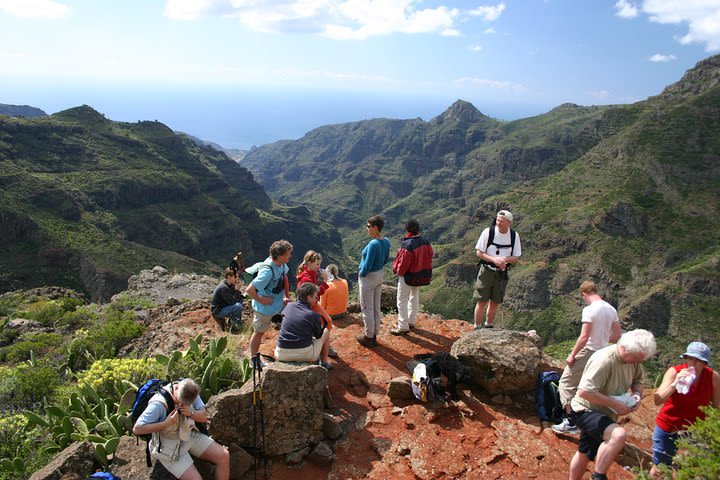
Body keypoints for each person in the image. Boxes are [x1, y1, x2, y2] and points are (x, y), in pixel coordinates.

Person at [568, 329, 657, 480]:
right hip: (585, 409)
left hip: (605, 412)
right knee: (618, 435)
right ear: (623, 348)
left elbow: (638, 380)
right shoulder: (605, 360)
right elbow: (585, 391)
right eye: (635, 358)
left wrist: (637, 394)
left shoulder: (633, 361)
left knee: (584, 453)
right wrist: (615, 404)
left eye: (640, 359)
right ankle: (598, 476)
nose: (637, 362)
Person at [552, 281, 622, 434]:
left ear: (583, 294)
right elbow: (617, 335)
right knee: (589, 386)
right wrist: (603, 339)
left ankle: (572, 420)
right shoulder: (611, 309)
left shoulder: (589, 310)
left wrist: (572, 355)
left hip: (589, 351)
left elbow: (584, 337)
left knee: (566, 383)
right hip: (603, 353)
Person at [132, 378, 230, 480]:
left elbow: (204, 417)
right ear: (176, 387)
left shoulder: (191, 391)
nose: (181, 405)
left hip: (188, 435)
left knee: (224, 456)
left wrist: (191, 413)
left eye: (184, 403)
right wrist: (165, 423)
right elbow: (137, 429)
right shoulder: (159, 404)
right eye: (179, 401)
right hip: (168, 446)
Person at [649, 342, 720, 479]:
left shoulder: (713, 377)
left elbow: (717, 406)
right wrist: (675, 382)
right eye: (690, 358)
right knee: (660, 468)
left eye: (698, 359)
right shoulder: (674, 371)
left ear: (704, 363)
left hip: (695, 430)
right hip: (669, 426)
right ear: (685, 358)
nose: (693, 362)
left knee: (697, 468)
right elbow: (658, 400)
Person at [244, 240, 292, 368]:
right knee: (259, 332)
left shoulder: (281, 264)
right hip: (264, 308)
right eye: (288, 254)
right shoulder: (267, 271)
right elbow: (249, 290)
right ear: (280, 256)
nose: (290, 256)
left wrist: (287, 296)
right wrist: (261, 300)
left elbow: (284, 277)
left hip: (277, 304)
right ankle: (253, 359)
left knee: (290, 318)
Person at [473, 210, 521, 329]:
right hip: (487, 270)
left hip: (501, 273)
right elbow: (479, 252)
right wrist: (494, 260)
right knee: (481, 301)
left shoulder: (514, 236)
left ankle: (489, 325)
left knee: (495, 302)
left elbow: (516, 257)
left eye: (502, 221)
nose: (498, 223)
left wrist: (505, 260)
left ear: (509, 223)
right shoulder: (488, 232)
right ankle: (477, 327)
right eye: (498, 220)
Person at [391, 219, 433, 335]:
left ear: (407, 230)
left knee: (402, 300)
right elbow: (430, 256)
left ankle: (403, 325)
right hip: (421, 274)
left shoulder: (408, 244)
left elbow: (404, 263)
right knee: (414, 296)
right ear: (418, 229)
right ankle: (411, 321)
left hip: (408, 276)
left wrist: (399, 272)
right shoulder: (425, 241)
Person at [274, 283, 331, 369]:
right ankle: (323, 363)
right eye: (315, 297)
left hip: (281, 353)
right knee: (326, 331)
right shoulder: (313, 315)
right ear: (309, 298)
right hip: (304, 354)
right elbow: (318, 336)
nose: (316, 299)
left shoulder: (288, 306)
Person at [356, 215, 390, 348]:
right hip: (379, 275)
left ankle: (368, 336)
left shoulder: (373, 244)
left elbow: (368, 264)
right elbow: (386, 259)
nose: (367, 229)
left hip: (369, 277)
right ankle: (375, 333)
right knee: (376, 305)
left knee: (366, 307)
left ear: (376, 228)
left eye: (369, 226)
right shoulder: (386, 241)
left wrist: (361, 273)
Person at [296, 250, 337, 357]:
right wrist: (324, 281)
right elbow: (314, 294)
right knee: (327, 321)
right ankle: (323, 348)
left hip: (312, 302)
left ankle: (324, 344)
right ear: (309, 263)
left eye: (319, 264)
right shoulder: (306, 277)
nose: (319, 266)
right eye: (317, 264)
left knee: (324, 322)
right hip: (310, 304)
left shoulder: (310, 273)